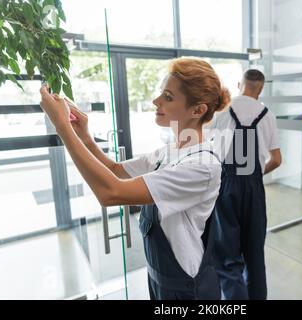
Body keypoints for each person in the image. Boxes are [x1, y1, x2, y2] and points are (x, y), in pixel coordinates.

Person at [39, 57, 231, 300]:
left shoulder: (203, 166)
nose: (156, 101)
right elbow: (116, 170)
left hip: (186, 289)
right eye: (161, 93)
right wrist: (84, 136)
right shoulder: (171, 151)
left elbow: (111, 193)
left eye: (168, 97)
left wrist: (62, 128)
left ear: (198, 110)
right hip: (160, 277)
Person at [208, 69, 282, 300]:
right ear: (260, 89)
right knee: (255, 255)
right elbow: (276, 160)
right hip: (254, 187)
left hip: (226, 185)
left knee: (228, 257)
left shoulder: (222, 112)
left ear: (240, 84)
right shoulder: (267, 114)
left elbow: (211, 154)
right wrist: (256, 173)